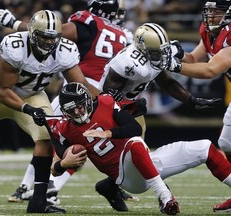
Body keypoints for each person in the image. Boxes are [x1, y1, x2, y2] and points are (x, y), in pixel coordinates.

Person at [0, 10, 99, 214]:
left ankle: (39, 200)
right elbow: (2, 91)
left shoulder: (65, 51)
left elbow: (81, 84)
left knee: (45, 136)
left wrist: (109, 101)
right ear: (32, 34)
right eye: (43, 36)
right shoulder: (15, 46)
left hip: (33, 94)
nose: (49, 42)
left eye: (53, 37)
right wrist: (28, 109)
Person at [0, 0, 137, 203]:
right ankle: (35, 186)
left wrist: (14, 23)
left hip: (79, 90)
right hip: (99, 92)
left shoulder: (90, 22)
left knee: (58, 137)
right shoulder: (124, 35)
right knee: (77, 140)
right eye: (117, 11)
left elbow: (50, 32)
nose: (119, 15)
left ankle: (33, 186)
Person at [45, 82, 231, 215]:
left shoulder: (106, 103)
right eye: (71, 110)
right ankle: (165, 197)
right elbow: (55, 168)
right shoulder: (65, 129)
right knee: (135, 143)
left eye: (79, 107)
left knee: (205, 147)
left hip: (144, 162)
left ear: (87, 100)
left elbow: (134, 127)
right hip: (127, 177)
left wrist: (108, 133)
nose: (77, 112)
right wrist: (63, 164)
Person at [168, 0, 231, 211]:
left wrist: (175, 66)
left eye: (216, 11)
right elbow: (195, 58)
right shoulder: (209, 30)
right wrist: (176, 53)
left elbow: (210, 70)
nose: (210, 15)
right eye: (209, 10)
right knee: (227, 143)